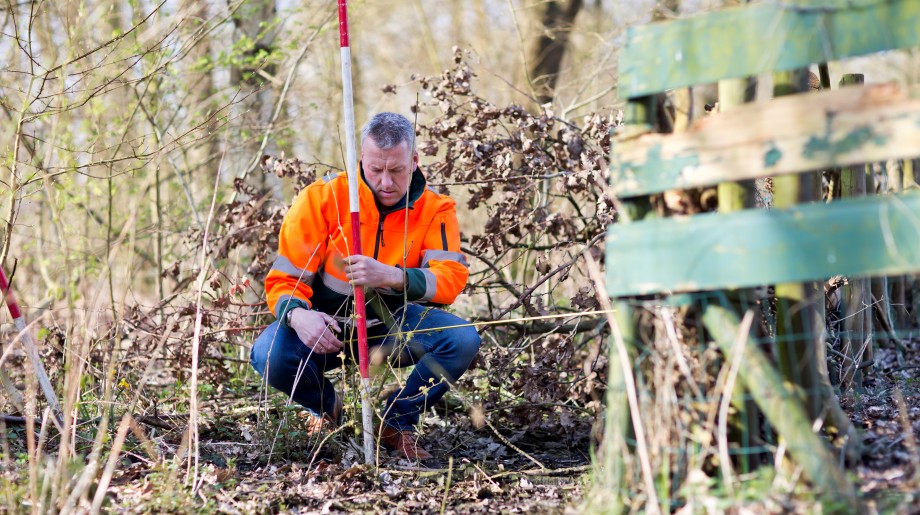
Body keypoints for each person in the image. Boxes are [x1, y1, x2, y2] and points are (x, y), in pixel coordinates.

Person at [250, 112, 481, 461]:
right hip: (323, 330)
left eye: (397, 170)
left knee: (462, 339)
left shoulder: (435, 209)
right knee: (268, 353)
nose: (386, 182)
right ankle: (328, 410)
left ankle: (396, 421)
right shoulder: (321, 198)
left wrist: (393, 276)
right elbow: (283, 281)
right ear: (361, 160)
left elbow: (450, 279)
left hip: (390, 329)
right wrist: (299, 317)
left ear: (414, 161)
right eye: (375, 169)